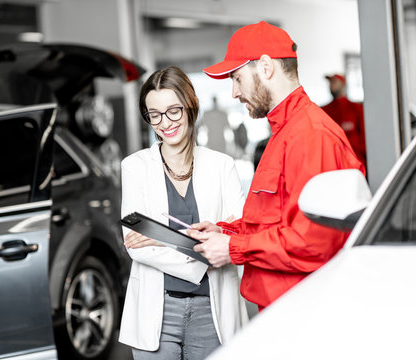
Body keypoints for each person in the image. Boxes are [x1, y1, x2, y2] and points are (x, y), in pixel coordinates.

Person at [188, 21, 366, 311]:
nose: (234, 92)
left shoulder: (311, 136)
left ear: (266, 67)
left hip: (303, 313)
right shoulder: (285, 133)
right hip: (284, 310)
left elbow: (313, 243)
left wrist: (233, 249)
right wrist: (226, 233)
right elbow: (275, 222)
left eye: (237, 78)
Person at [118, 66, 248, 360]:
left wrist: (162, 236)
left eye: (174, 111)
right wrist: (202, 250)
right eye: (155, 114)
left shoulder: (222, 165)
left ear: (190, 107)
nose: (166, 123)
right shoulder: (134, 167)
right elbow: (136, 245)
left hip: (212, 312)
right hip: (156, 311)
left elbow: (238, 232)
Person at [321, 73, 367, 169]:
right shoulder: (324, 110)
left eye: (334, 82)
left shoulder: (355, 108)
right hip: (333, 164)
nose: (331, 85)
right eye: (330, 82)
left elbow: (364, 136)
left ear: (343, 84)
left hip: (356, 163)